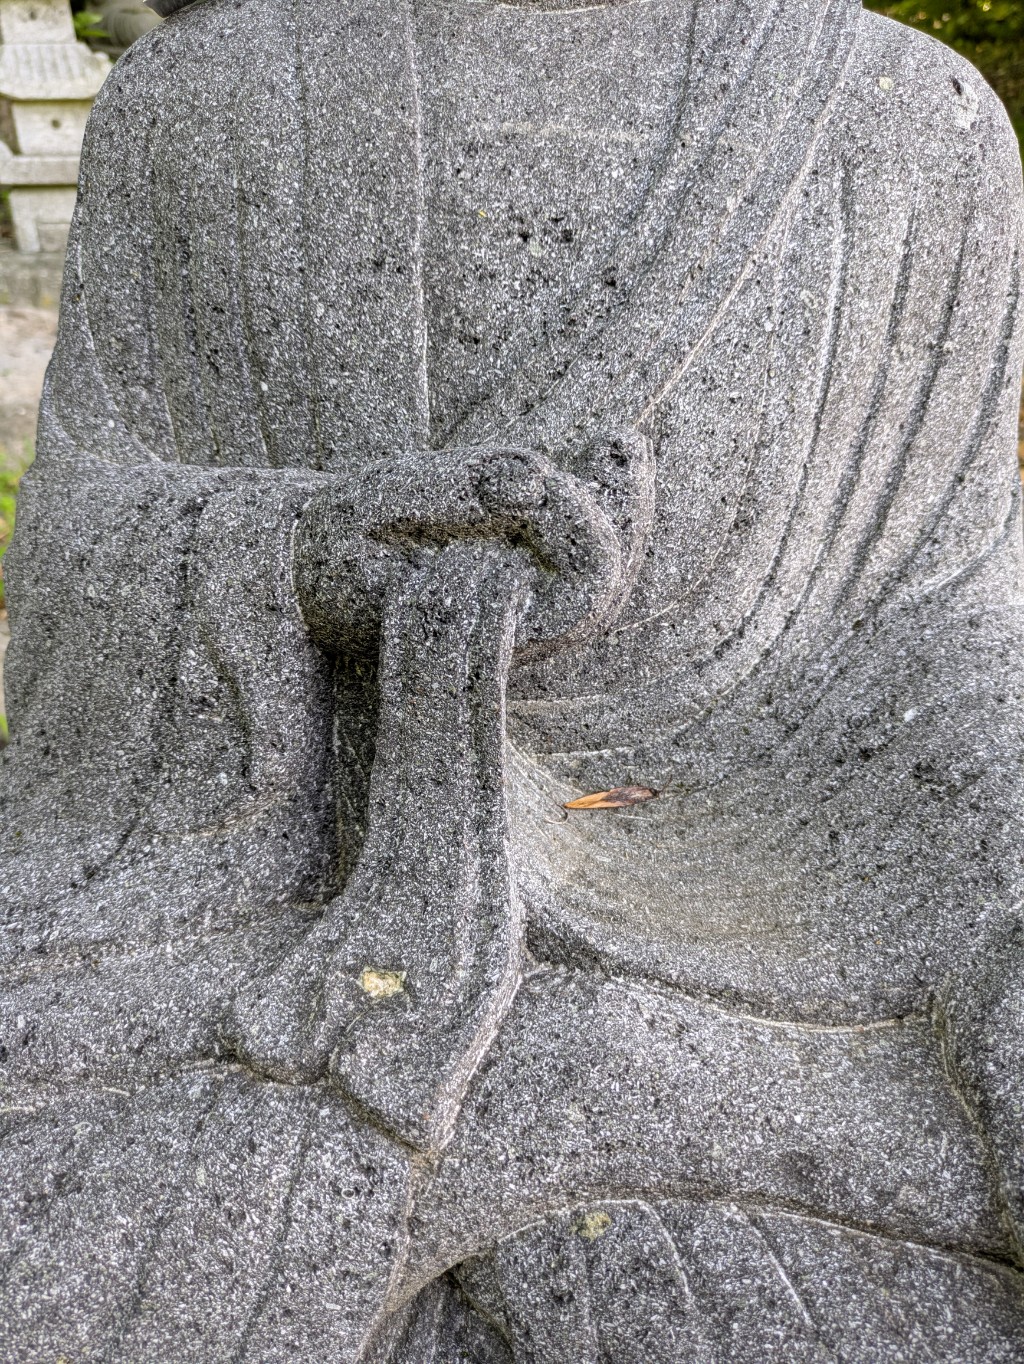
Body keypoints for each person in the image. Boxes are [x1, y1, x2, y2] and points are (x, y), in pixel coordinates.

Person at [1, 0, 1022, 1355]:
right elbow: (85, 548)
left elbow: (942, 610)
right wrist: (305, 552)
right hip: (296, 847)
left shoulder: (908, 117)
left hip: (774, 869)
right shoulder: (202, 100)